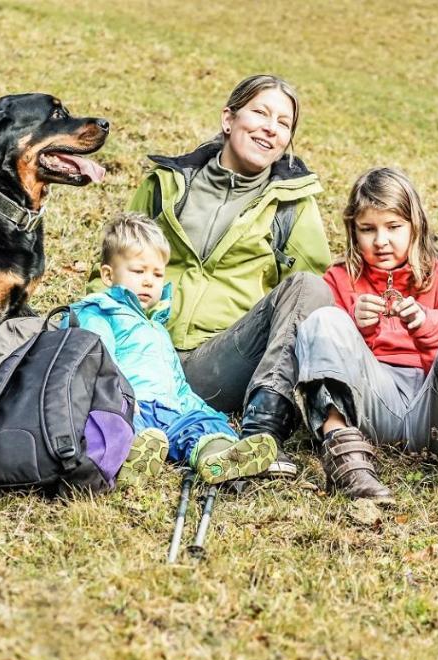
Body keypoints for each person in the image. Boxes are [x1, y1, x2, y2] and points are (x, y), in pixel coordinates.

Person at [0, 214, 278, 486]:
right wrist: (119, 403)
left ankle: (219, 455)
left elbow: (176, 381)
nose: (149, 281)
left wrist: (194, 405)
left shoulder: (156, 326)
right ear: (108, 274)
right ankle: (131, 457)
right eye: (138, 271)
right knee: (127, 430)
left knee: (203, 425)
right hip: (126, 405)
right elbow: (95, 358)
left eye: (157, 274)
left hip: (170, 406)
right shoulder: (101, 310)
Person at [124, 74, 334, 477]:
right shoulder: (166, 185)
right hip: (141, 352)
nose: (271, 128)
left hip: (218, 362)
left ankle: (263, 431)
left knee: (308, 287)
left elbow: (309, 305)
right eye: (260, 112)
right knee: (39, 324)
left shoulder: (294, 205)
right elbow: (116, 262)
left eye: (284, 123)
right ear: (228, 119)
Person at [294, 168, 438, 531]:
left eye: (393, 227)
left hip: (435, 413)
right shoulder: (339, 278)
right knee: (323, 321)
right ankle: (344, 460)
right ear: (353, 231)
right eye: (368, 229)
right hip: (368, 411)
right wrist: (355, 324)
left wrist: (428, 328)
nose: (381, 241)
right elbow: (329, 358)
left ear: (415, 226)